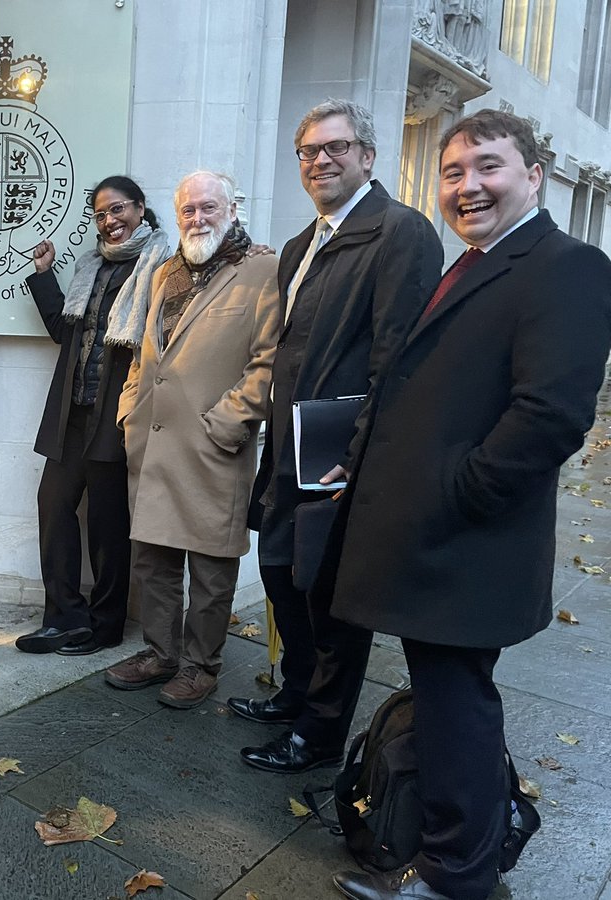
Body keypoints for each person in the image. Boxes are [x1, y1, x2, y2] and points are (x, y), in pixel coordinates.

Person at [330, 109, 611, 900]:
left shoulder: (566, 266)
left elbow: (550, 416)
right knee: (447, 699)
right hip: (434, 539)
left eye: (488, 166)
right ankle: (459, 851)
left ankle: (458, 875)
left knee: (458, 705)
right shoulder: (475, 263)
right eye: (452, 171)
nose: (467, 186)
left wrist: (459, 493)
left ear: (534, 176)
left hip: (468, 543)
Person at [232, 99, 442, 774]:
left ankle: (319, 736)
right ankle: (296, 695)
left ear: (368, 156)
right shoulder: (302, 245)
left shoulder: (400, 232)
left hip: (341, 460)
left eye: (336, 147)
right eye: (308, 151)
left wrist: (360, 457)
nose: (320, 160)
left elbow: (398, 361)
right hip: (288, 451)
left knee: (331, 601)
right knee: (279, 574)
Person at [103, 171, 279, 710]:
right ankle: (160, 654)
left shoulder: (264, 270)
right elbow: (146, 351)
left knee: (210, 567)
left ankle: (201, 666)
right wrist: (129, 409)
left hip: (213, 446)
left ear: (232, 210)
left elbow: (270, 361)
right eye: (188, 210)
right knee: (153, 560)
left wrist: (227, 422)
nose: (198, 218)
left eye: (209, 207)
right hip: (154, 442)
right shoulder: (165, 273)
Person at [14, 176, 170, 656]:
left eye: (117, 209)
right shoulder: (90, 267)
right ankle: (64, 618)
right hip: (73, 412)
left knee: (107, 525)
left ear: (140, 209)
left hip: (117, 413)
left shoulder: (162, 267)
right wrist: (44, 275)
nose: (109, 220)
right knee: (53, 507)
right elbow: (66, 332)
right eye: (100, 214)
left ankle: (105, 626)